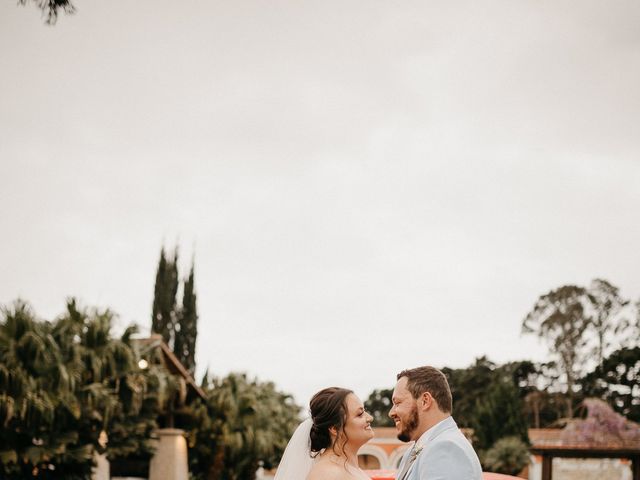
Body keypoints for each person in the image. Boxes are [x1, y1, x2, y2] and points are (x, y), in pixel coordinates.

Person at [389, 366, 482, 480]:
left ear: (425, 401)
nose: (391, 413)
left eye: (397, 403)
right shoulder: (415, 451)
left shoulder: (445, 449)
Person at [274, 387, 374, 480]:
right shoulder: (327, 474)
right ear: (334, 428)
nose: (370, 418)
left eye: (364, 411)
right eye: (360, 414)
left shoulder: (352, 469)